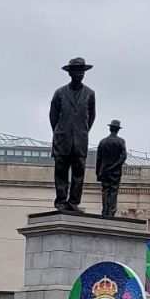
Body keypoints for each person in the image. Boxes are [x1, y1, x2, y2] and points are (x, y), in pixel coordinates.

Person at [49, 57, 96, 212]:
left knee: (78, 174)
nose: (79, 74)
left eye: (81, 71)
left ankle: (73, 202)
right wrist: (61, 132)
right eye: (76, 70)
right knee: (61, 173)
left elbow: (91, 117)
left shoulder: (90, 93)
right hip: (62, 140)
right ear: (70, 73)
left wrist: (81, 132)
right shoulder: (60, 93)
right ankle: (61, 201)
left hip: (80, 141)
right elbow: (53, 116)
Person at [95, 119, 127, 218]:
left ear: (110, 128)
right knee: (113, 191)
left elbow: (98, 159)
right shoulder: (121, 141)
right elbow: (123, 157)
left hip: (104, 170)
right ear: (118, 130)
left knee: (105, 191)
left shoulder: (102, 142)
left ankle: (105, 211)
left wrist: (98, 173)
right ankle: (111, 212)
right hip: (115, 171)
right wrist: (115, 166)